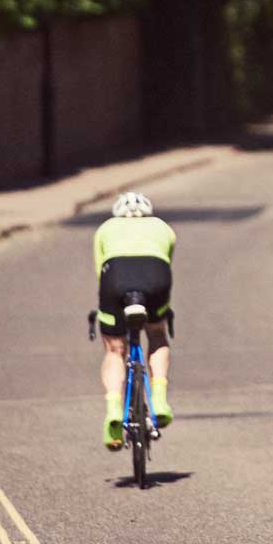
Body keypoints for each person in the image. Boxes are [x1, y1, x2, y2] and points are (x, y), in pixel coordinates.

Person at [94, 191, 175, 450]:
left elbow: (100, 272)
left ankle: (114, 410)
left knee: (115, 350)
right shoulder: (163, 228)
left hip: (116, 282)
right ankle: (160, 401)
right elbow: (166, 264)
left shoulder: (105, 229)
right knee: (157, 334)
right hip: (155, 280)